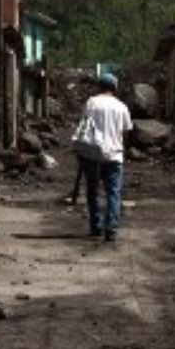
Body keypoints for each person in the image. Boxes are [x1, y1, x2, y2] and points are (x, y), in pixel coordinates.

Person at [71, 74, 133, 241]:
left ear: (99, 86)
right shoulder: (121, 106)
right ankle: (111, 227)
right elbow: (126, 131)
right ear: (114, 87)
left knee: (93, 192)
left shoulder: (92, 103)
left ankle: (96, 226)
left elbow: (84, 126)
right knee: (113, 193)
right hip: (114, 155)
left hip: (92, 154)